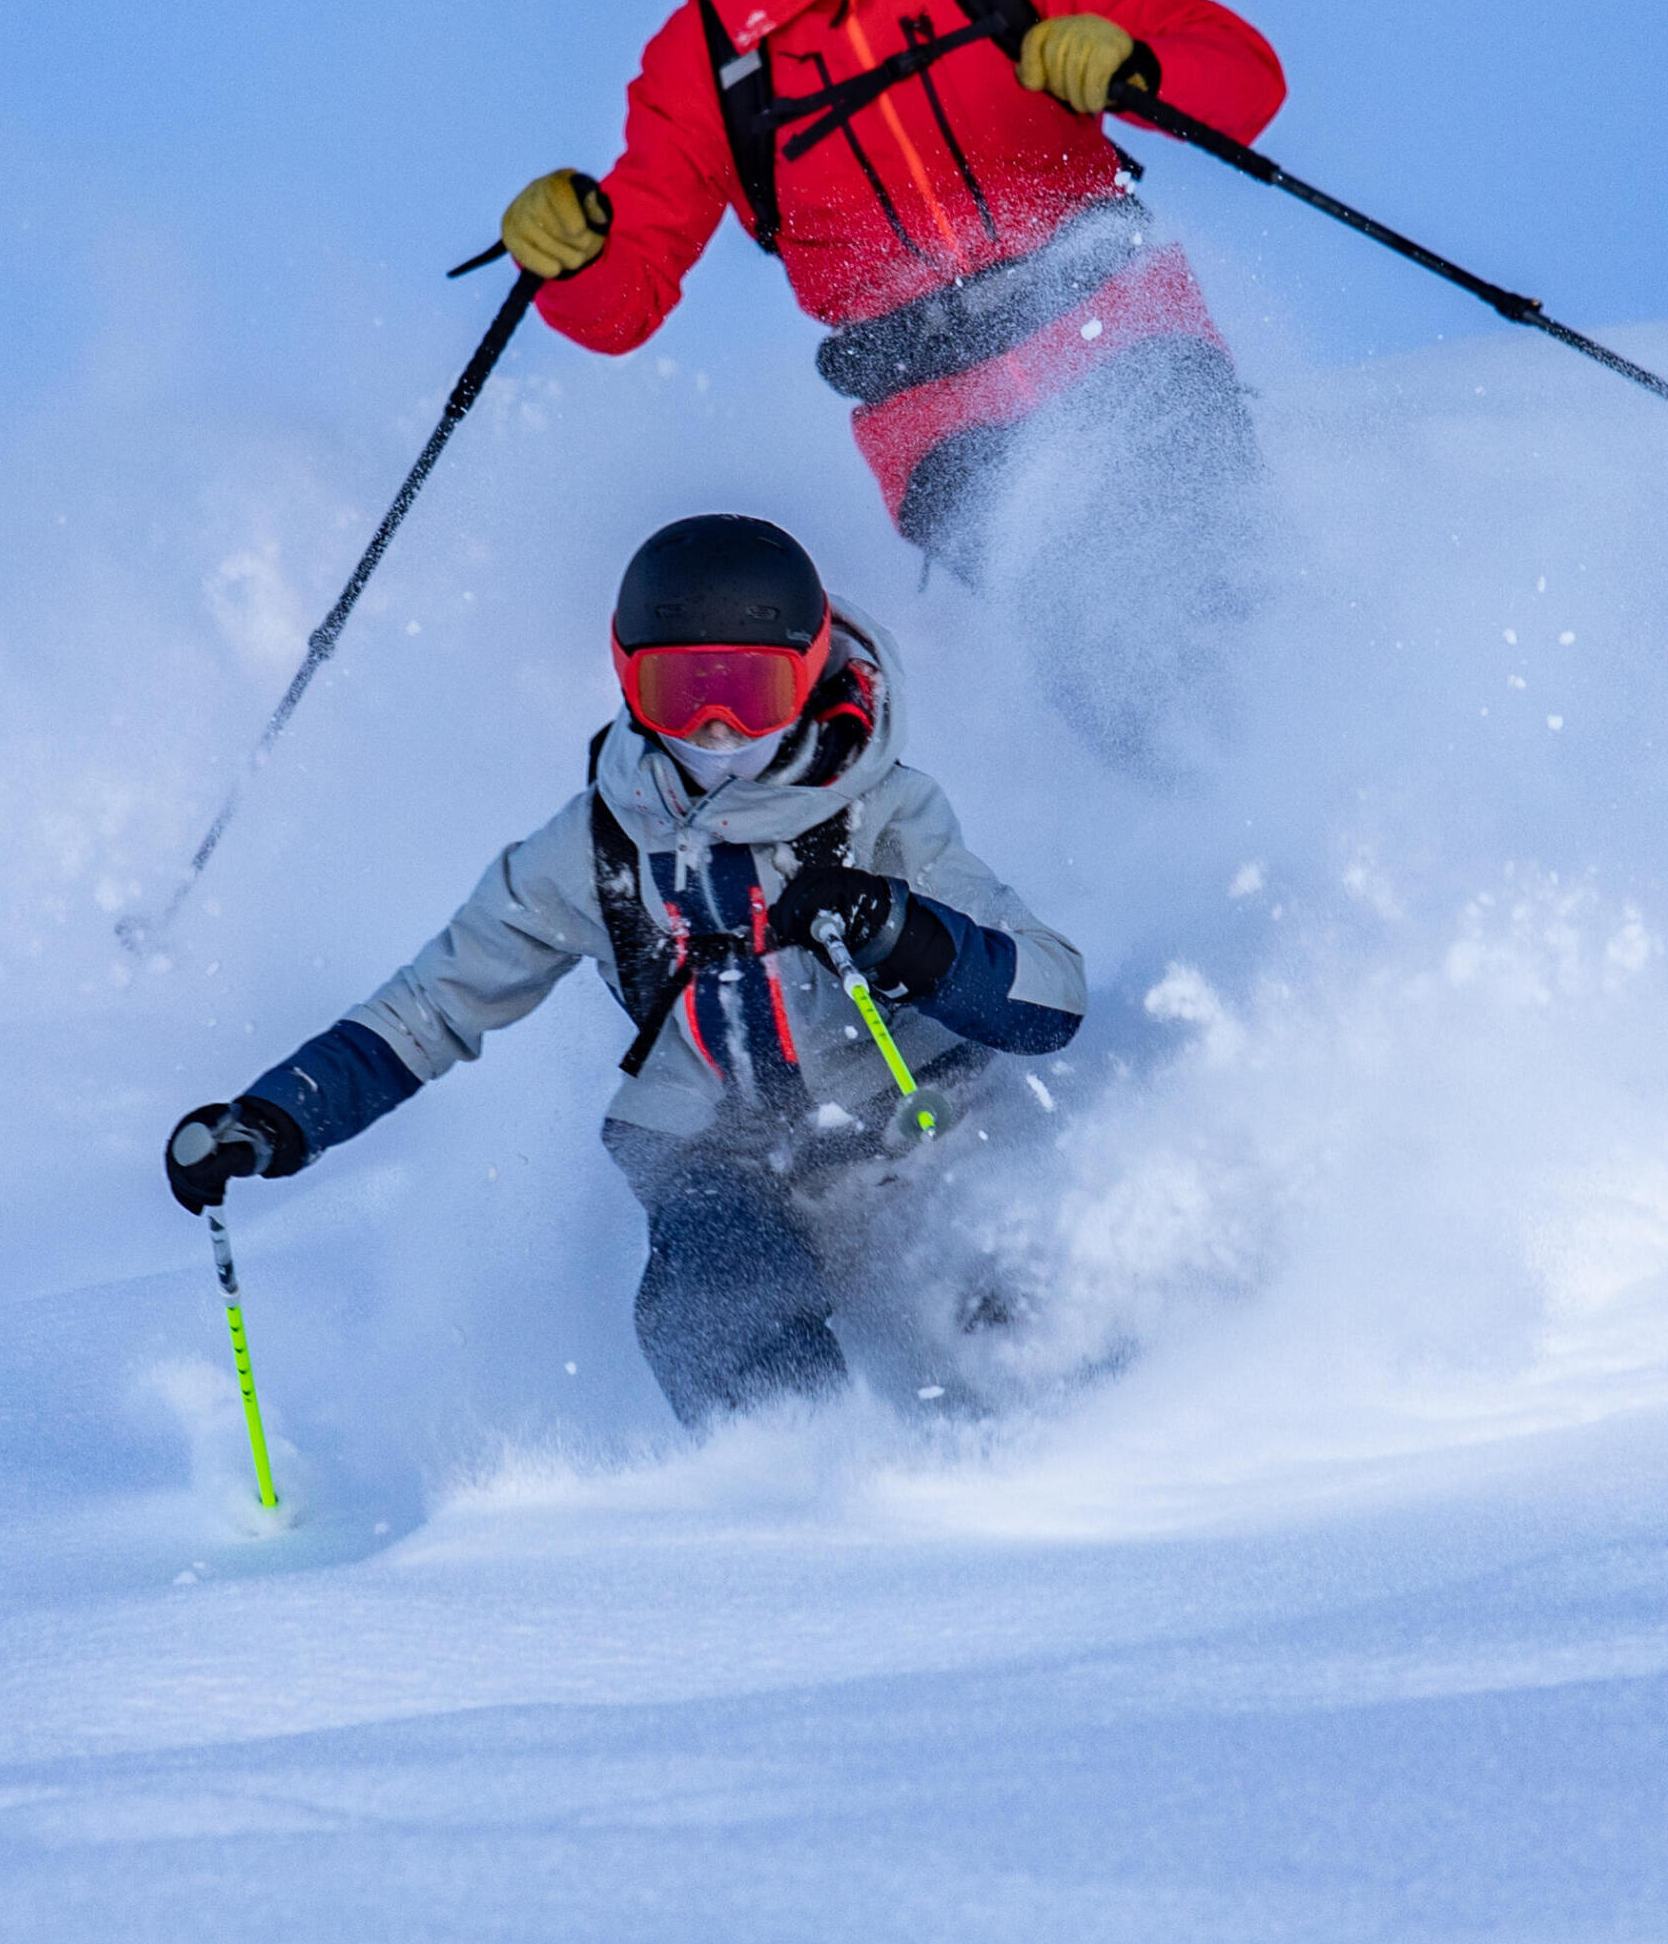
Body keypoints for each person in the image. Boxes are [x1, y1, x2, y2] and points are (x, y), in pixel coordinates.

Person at [498, 0, 1287, 768]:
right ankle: (1207, 819)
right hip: (943, 420)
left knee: (1214, 570)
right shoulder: (706, 61)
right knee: (1092, 626)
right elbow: (624, 300)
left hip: (1123, 331)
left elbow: (1244, 77)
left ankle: (1319, 773)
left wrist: (1137, 68)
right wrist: (573, 257)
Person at [166, 515, 1085, 1430]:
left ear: (807, 676)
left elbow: (1050, 1000)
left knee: (1010, 1299)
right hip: (732, 1162)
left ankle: (1074, 1458)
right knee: (718, 1291)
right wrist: (278, 1113)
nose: (717, 730)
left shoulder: (885, 814)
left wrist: (900, 928)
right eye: (678, 689)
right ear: (626, 677)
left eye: (752, 690)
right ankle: (806, 1498)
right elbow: (434, 1003)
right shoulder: (598, 845)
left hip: (920, 1130)